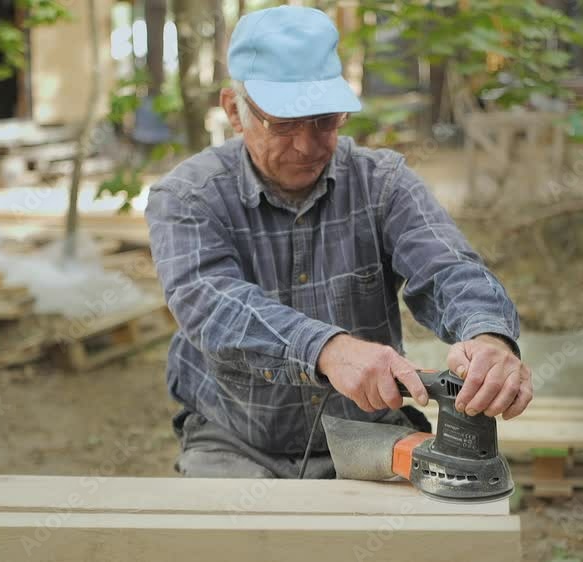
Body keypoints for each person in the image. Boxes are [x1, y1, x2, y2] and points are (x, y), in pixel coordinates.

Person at [145, 5, 532, 479]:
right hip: (235, 437)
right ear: (233, 110)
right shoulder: (187, 196)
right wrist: (328, 350)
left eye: (325, 121)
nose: (307, 146)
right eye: (283, 125)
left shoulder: (383, 183)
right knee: (234, 524)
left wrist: (489, 337)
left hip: (367, 428)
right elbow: (209, 304)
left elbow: (449, 268)